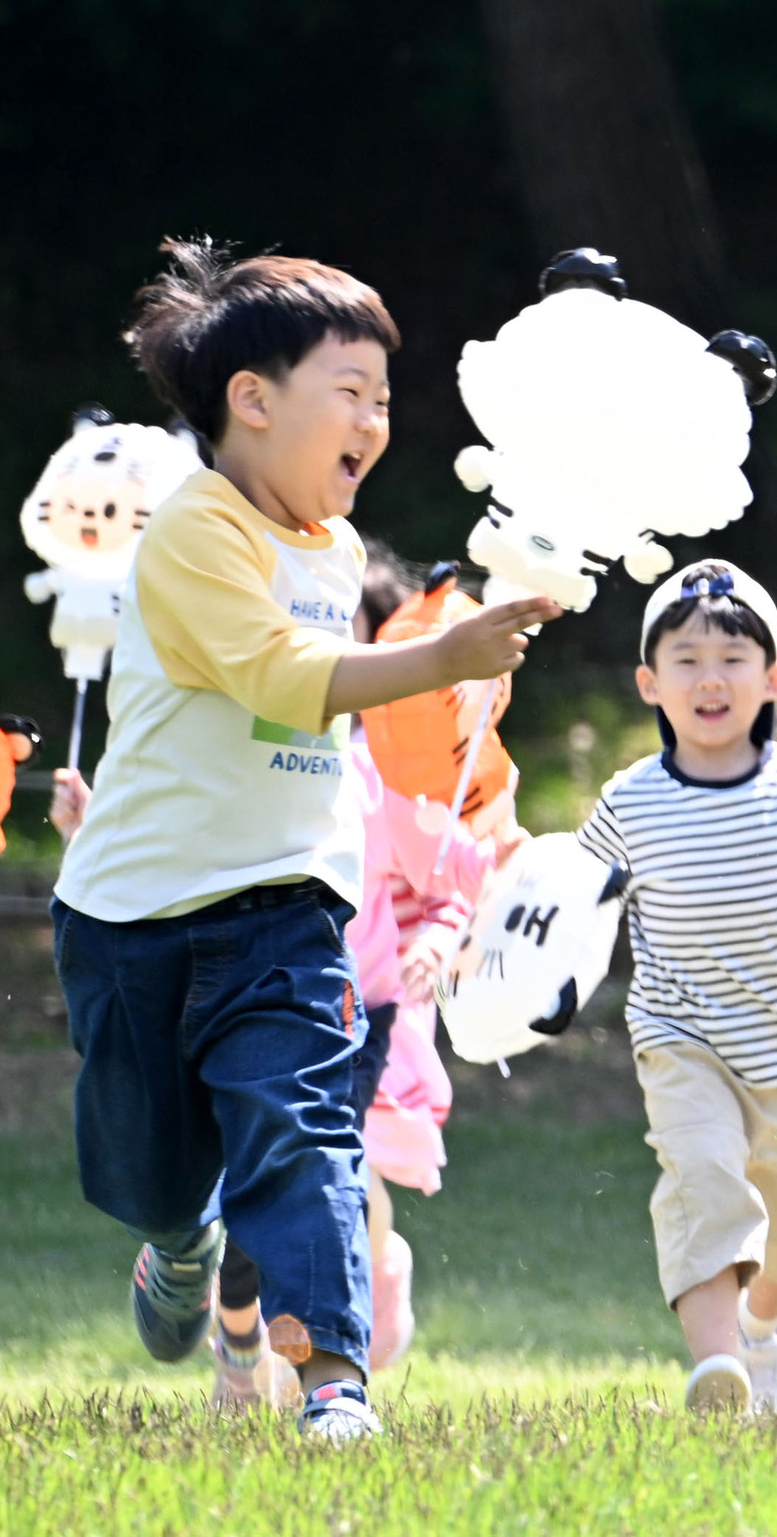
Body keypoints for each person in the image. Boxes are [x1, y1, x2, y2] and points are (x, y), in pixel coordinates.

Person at [51, 241, 553, 1444]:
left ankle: (334, 1380)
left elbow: (331, 691)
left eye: (386, 399)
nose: (377, 422)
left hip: (289, 910)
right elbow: (278, 675)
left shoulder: (334, 552)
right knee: (149, 1173)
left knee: (305, 1131)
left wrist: (451, 675)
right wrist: (437, 657)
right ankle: (179, 1246)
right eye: (354, 393)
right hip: (134, 917)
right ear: (253, 399)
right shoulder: (194, 531)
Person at [580, 561, 777, 1415]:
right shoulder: (629, 801)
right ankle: (716, 1366)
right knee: (704, 1174)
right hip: (677, 1036)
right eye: (685, 659)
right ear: (650, 682)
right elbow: (574, 902)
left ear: (773, 680)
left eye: (732, 658)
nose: (710, 677)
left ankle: (763, 1326)